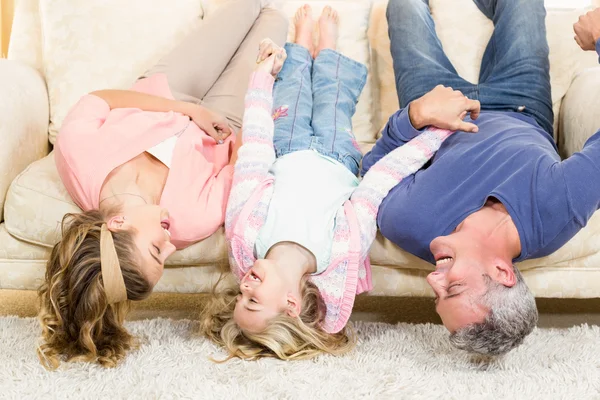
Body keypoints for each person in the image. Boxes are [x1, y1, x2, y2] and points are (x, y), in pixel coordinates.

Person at [37, 0, 288, 369]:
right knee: (276, 21)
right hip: (227, 122)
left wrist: (191, 111)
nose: (173, 245)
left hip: (165, 92)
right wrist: (260, 86)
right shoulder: (191, 221)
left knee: (249, 6)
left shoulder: (77, 157)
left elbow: (101, 99)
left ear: (117, 224)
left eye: (157, 250)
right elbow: (242, 162)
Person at [200, 4, 460, 361]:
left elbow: (253, 156)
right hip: (339, 154)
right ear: (291, 303)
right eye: (253, 300)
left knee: (290, 89)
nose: (243, 286)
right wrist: (433, 136)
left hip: (285, 145)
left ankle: (302, 44)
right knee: (334, 96)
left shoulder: (247, 235)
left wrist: (261, 80)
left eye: (239, 296)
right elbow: (377, 185)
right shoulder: (339, 250)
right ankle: (328, 50)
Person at [363, 0, 600, 356]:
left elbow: (372, 175)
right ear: (503, 272)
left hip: (434, 109)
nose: (433, 279)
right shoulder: (556, 211)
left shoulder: (411, 225)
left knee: (403, 6)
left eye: (436, 295)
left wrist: (414, 116)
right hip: (520, 104)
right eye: (452, 288)